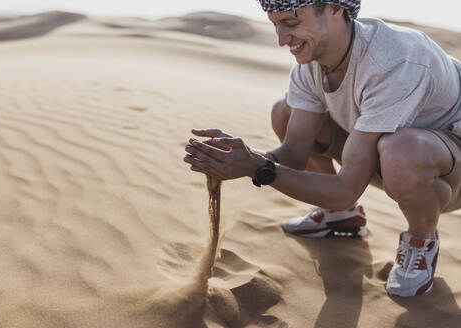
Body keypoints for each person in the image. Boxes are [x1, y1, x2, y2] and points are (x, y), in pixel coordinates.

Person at [183, 0, 461, 297]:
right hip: (379, 151)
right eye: (275, 25)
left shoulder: (393, 60)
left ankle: (421, 240)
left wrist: (257, 167)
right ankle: (339, 217)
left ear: (334, 9)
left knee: (401, 150)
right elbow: (293, 154)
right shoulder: (313, 64)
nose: (281, 40)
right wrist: (238, 157)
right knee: (285, 111)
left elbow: (346, 189)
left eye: (291, 23)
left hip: (447, 166)